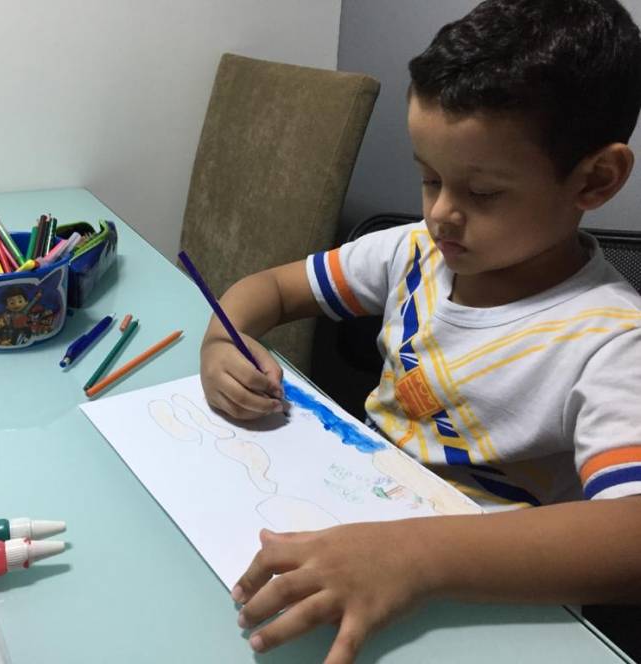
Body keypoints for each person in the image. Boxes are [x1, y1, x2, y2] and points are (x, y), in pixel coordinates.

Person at [198, 1, 641, 661]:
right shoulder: (414, 253)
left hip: (479, 599)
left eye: (482, 193)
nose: (440, 214)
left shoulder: (611, 341)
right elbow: (273, 289)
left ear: (595, 180)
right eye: (429, 178)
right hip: (352, 517)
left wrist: (412, 554)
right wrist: (221, 340)